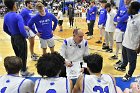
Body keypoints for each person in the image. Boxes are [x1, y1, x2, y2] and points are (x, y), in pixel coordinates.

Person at [3, 0, 34, 76]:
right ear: (14, 6)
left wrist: (12, 35)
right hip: (20, 38)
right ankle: (24, 71)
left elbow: (5, 29)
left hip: (13, 38)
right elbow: (22, 30)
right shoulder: (18, 16)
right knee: (23, 55)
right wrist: (26, 36)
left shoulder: (6, 16)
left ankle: (20, 68)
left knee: (17, 55)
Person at [114, 1, 140, 81]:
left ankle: (129, 74)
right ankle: (123, 66)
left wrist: (139, 47)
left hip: (132, 45)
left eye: (129, 7)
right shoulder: (130, 17)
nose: (128, 8)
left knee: (132, 61)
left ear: (134, 9)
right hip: (125, 42)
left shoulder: (139, 20)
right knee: (124, 57)